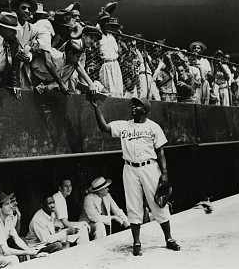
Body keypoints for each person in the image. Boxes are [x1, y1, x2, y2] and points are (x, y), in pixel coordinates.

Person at [87, 95, 180, 256]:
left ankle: (169, 239)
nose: (133, 107)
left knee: (158, 203)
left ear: (145, 110)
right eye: (133, 105)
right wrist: (96, 108)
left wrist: (164, 173)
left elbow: (160, 152)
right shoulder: (124, 126)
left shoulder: (153, 127)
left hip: (149, 167)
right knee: (133, 204)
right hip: (130, 168)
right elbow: (104, 128)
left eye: (137, 105)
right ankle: (136, 242)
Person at [0, 190, 40, 269]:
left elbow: (17, 239)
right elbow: (6, 251)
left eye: (10, 203)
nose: (11, 206)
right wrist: (28, 252)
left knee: (16, 257)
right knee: (13, 259)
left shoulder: (8, 218)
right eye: (6, 204)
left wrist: (30, 251)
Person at [10, 0, 39, 91]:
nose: (27, 11)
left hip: (24, 71)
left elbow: (35, 49)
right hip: (9, 70)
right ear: (16, 9)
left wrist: (29, 56)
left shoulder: (33, 29)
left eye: (29, 9)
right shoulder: (10, 26)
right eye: (23, 8)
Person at [53, 178, 90, 244]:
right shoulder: (57, 199)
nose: (68, 188)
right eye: (66, 186)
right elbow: (66, 223)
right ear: (60, 188)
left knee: (82, 228)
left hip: (60, 230)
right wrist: (82, 223)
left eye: (70, 186)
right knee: (82, 228)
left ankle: (84, 250)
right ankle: (85, 251)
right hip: (55, 232)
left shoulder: (62, 198)